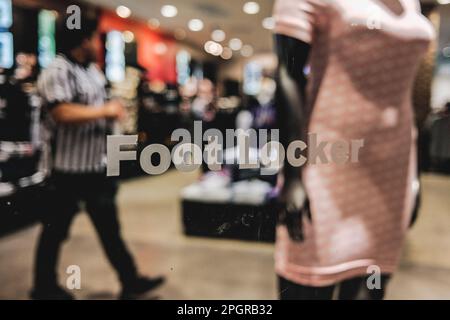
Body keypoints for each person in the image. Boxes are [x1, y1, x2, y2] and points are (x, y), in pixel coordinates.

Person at [273, 0, 435, 300]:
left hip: (393, 168)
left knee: (372, 284)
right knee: (310, 281)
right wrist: (293, 174)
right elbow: (288, 75)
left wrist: (415, 176)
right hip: (326, 165)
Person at [31, 16, 164, 300]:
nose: (98, 45)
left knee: (110, 230)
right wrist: (106, 111)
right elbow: (61, 112)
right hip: (66, 170)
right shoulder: (58, 69)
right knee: (55, 232)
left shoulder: (92, 70)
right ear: (83, 40)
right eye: (94, 38)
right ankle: (43, 287)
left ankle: (130, 280)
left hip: (95, 167)